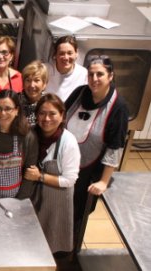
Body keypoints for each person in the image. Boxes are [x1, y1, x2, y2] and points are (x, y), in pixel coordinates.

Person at [64, 55, 129, 251]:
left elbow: (114, 146)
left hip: (88, 170)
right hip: (65, 162)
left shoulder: (118, 107)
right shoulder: (79, 93)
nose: (94, 79)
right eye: (91, 74)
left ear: (111, 76)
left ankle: (70, 250)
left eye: (100, 74)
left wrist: (103, 181)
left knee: (76, 213)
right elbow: (61, 116)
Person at [24, 94, 80, 254]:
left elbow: (70, 180)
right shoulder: (31, 134)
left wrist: (40, 176)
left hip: (57, 200)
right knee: (31, 242)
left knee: (50, 244)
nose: (46, 118)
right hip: (34, 197)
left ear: (62, 115)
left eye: (52, 113)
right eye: (42, 113)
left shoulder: (68, 142)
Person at [44, 35, 88, 102]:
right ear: (55, 55)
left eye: (70, 53)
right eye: (61, 53)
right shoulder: (45, 70)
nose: (66, 57)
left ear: (76, 54)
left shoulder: (83, 73)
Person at [20, 60, 48, 126]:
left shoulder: (49, 104)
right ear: (23, 83)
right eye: (28, 80)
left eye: (36, 80)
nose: (32, 85)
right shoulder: (15, 102)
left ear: (44, 84)